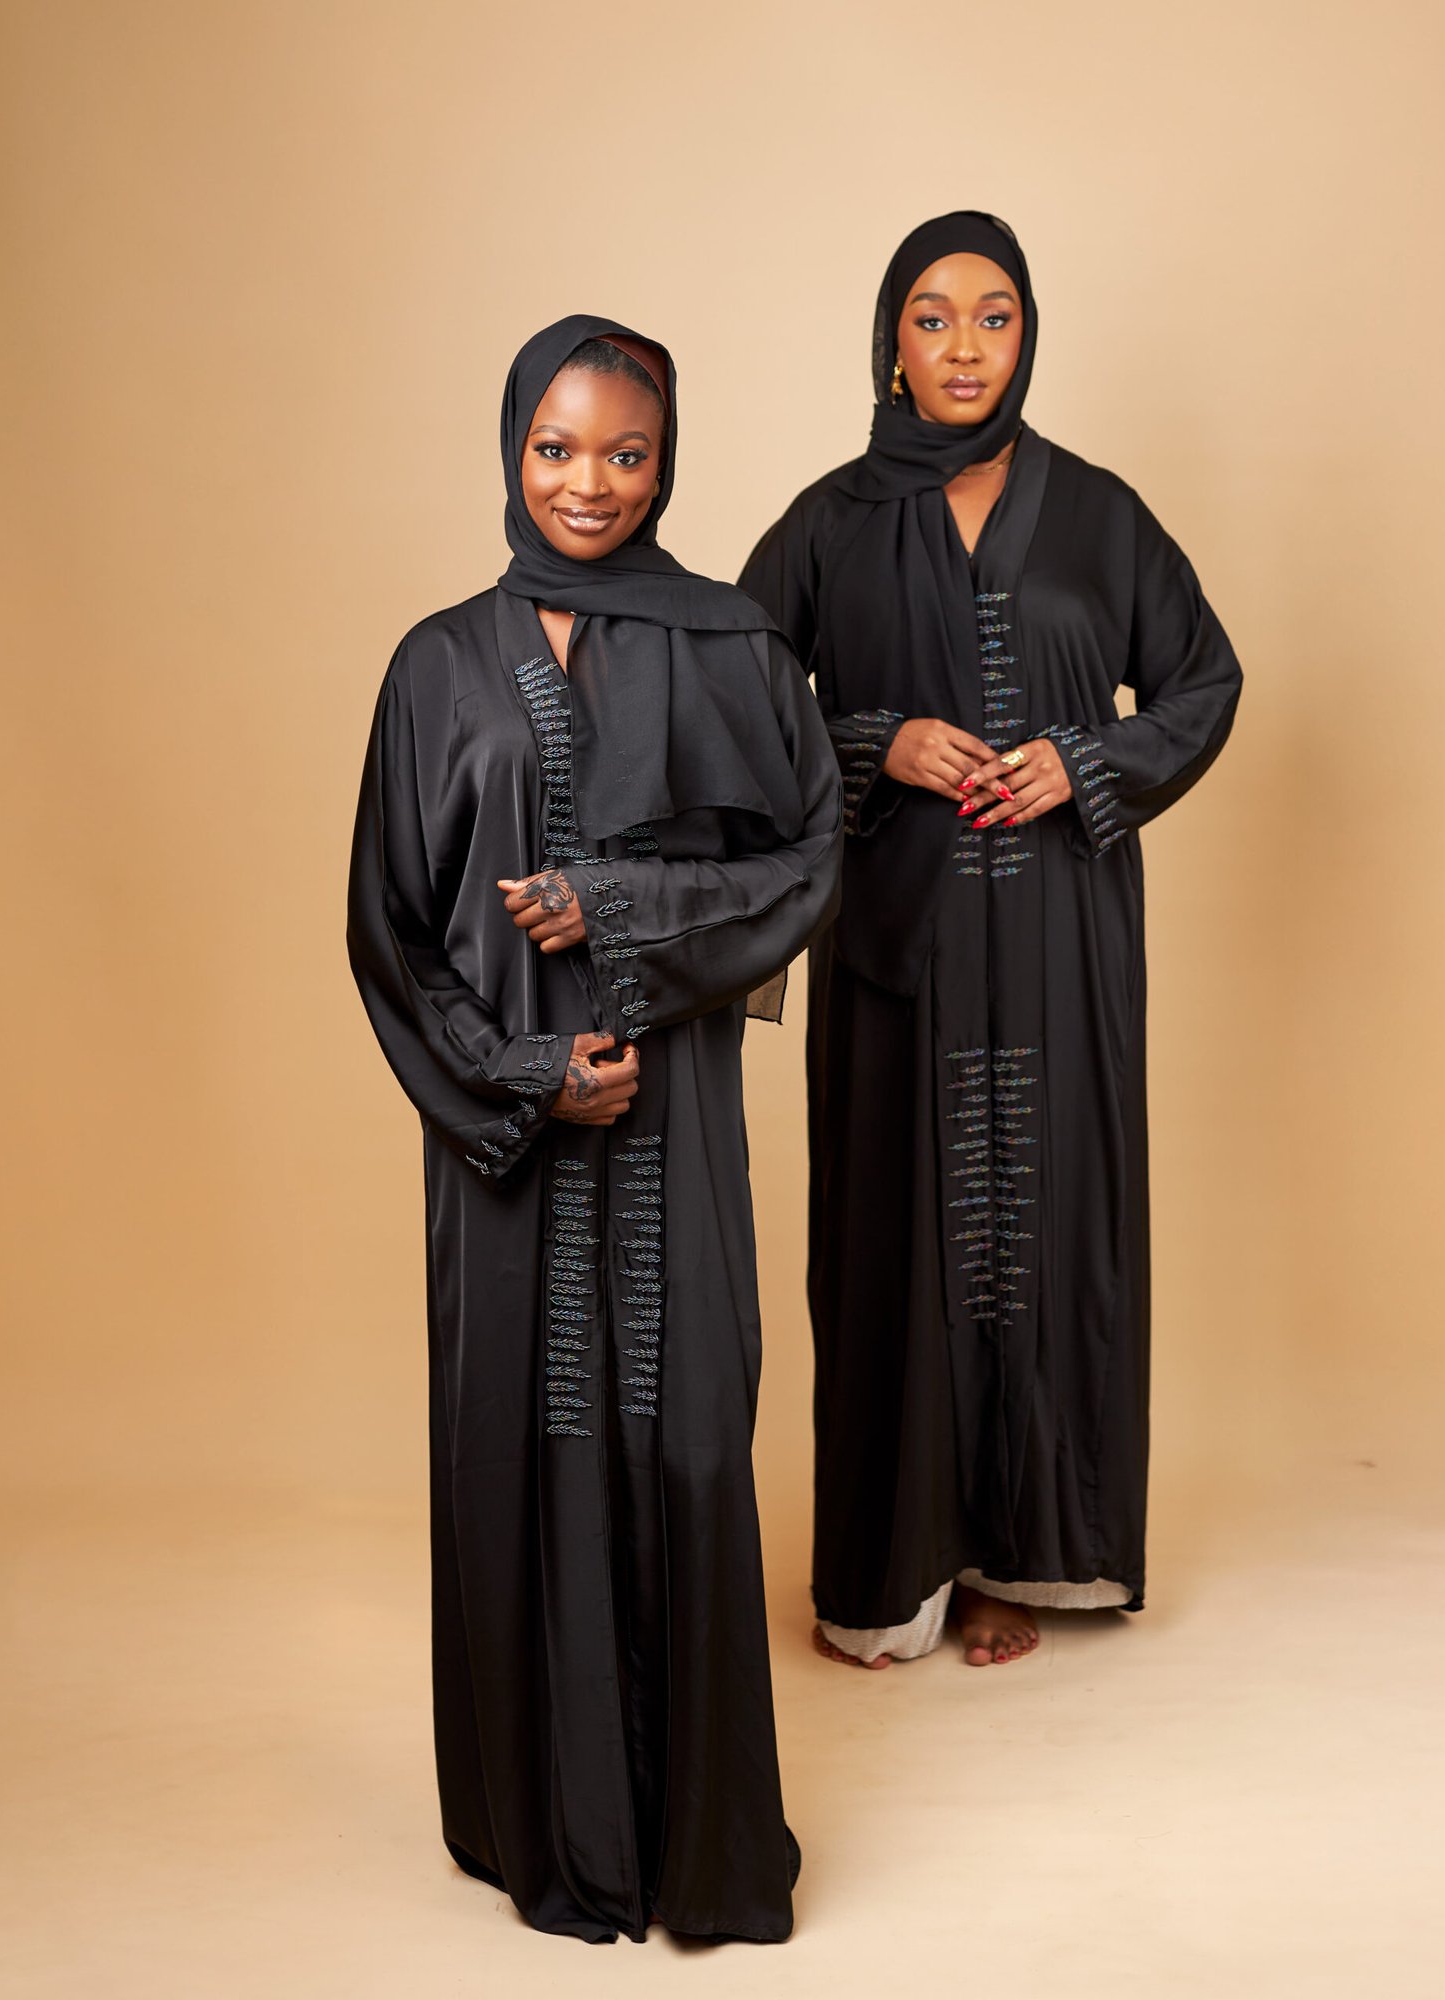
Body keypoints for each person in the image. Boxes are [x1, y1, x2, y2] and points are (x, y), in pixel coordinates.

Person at [348, 315, 841, 1941]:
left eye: (626, 453)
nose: (589, 483)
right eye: (557, 448)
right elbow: (388, 930)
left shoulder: (733, 645)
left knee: (687, 1439)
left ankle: (689, 1839)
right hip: (503, 1155)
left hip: (677, 1133)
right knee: (521, 1446)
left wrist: (618, 905)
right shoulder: (437, 664)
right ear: (513, 448)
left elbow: (805, 862)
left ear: (665, 460)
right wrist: (523, 1074)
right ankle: (535, 1820)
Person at [740, 212, 1242, 1671]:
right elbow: (736, 708)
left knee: (1046, 1230)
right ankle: (898, 1568)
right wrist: (875, 743)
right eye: (933, 316)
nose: (965, 347)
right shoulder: (831, 522)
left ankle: (1017, 1555)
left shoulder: (1101, 515)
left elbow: (1202, 684)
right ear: (890, 342)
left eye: (995, 316)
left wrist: (1086, 763)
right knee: (896, 1238)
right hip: (899, 955)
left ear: (1027, 336)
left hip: (1062, 951)